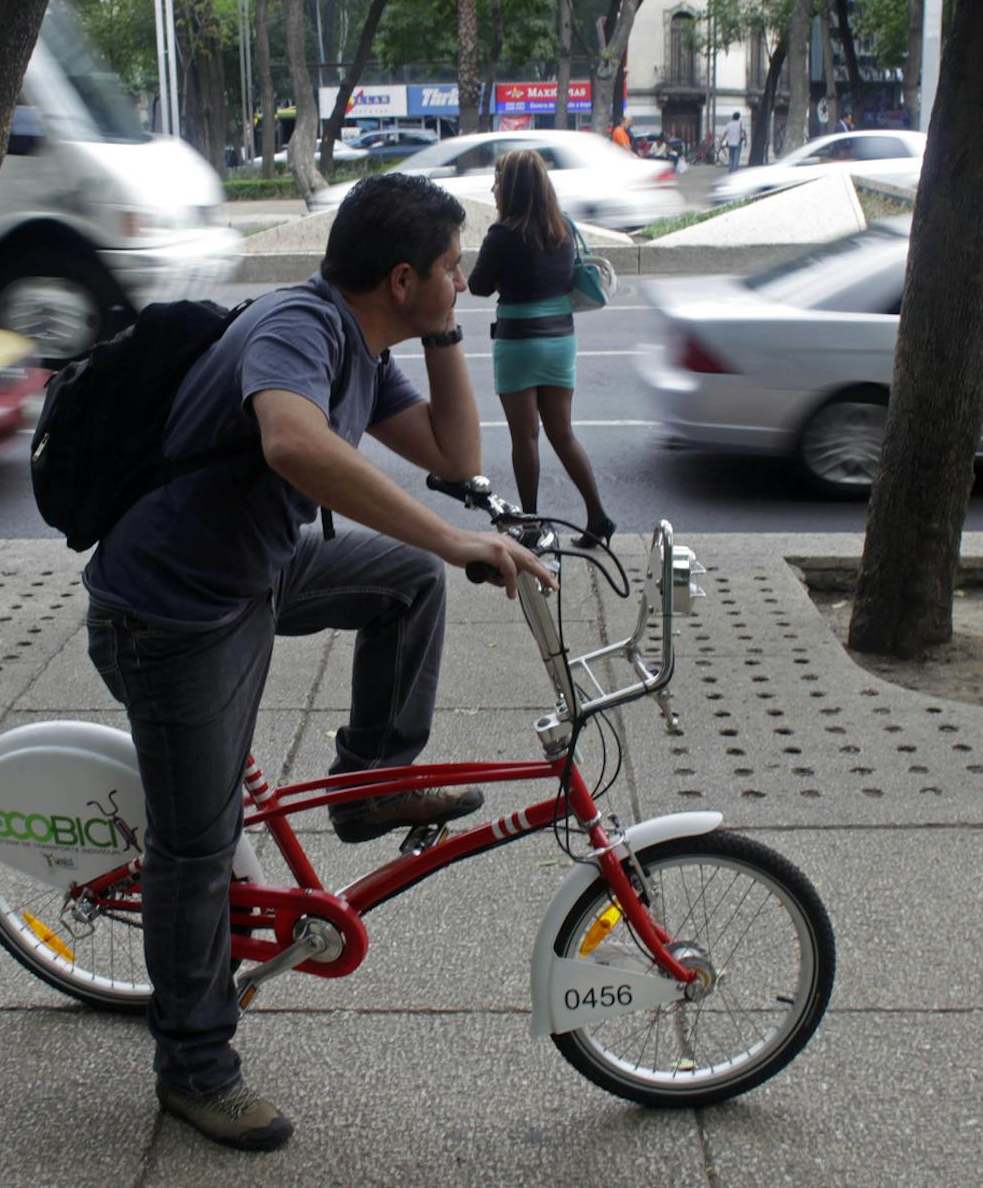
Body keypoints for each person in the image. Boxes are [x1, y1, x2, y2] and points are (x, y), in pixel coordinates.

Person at [82, 172, 550, 1153]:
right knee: (197, 848)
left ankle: (364, 788)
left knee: (409, 581)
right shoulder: (298, 327)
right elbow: (293, 443)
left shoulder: (367, 341)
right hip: (174, 611)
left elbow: (456, 459)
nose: (463, 279)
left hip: (254, 571)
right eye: (451, 269)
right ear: (400, 275)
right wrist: (452, 537)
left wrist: (444, 329)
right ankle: (195, 1068)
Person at [467, 150, 616, 549]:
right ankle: (598, 518)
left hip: (519, 343)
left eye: (498, 181)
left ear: (511, 188)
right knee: (562, 434)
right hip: (560, 340)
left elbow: (478, 286)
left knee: (525, 438)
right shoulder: (563, 228)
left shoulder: (501, 235)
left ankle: (531, 524)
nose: (493, 189)